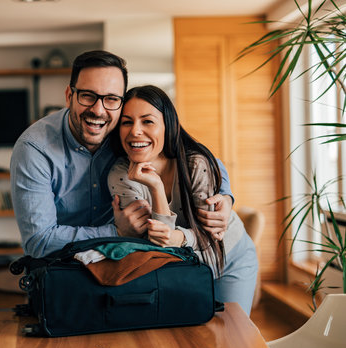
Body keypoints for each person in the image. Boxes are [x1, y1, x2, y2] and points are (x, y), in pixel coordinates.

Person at [10, 50, 233, 258]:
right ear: (69, 96)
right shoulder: (35, 149)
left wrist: (225, 196)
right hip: (61, 268)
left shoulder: (126, 128)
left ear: (120, 103)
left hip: (123, 264)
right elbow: (38, 242)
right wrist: (116, 231)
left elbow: (191, 154)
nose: (98, 110)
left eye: (111, 99)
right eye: (87, 96)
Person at [107, 85, 258, 315]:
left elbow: (211, 237)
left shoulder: (196, 165)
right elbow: (160, 245)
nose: (135, 131)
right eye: (127, 122)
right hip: (181, 268)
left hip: (228, 257)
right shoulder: (120, 174)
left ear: (168, 127)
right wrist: (157, 188)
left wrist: (178, 237)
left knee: (233, 335)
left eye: (147, 121)